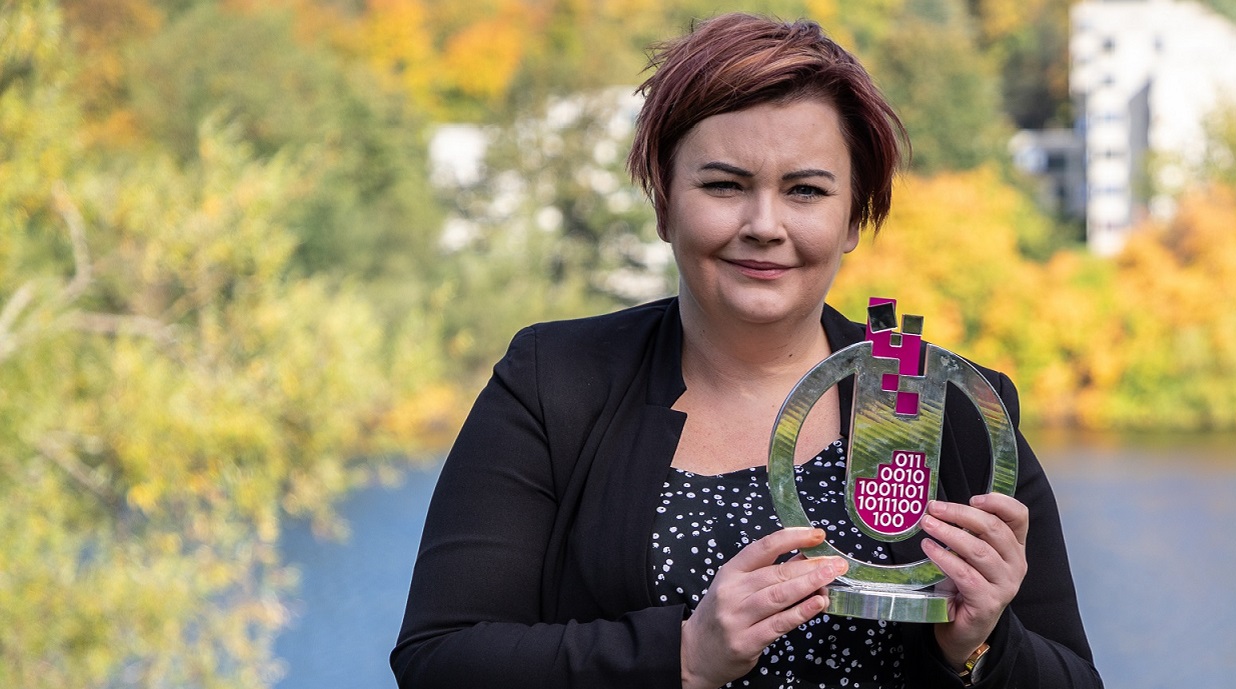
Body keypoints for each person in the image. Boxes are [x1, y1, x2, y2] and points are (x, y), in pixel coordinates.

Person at [390, 14, 1101, 689]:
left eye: (805, 191)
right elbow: (441, 657)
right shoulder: (554, 383)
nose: (764, 224)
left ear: (853, 216)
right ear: (664, 201)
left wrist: (981, 640)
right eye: (725, 184)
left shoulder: (955, 407)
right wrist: (682, 655)